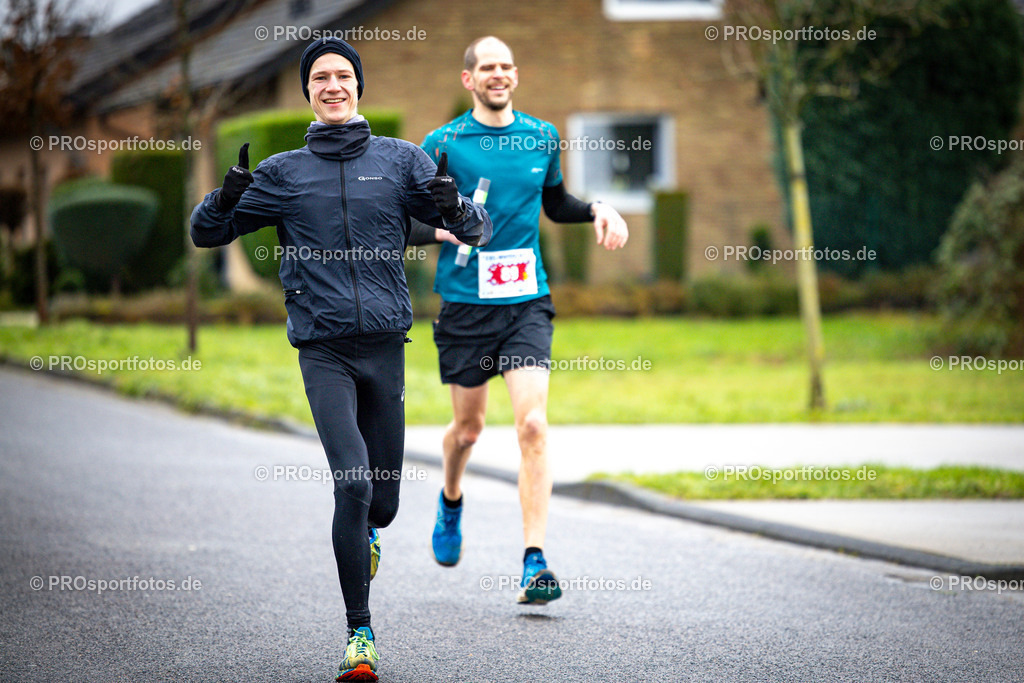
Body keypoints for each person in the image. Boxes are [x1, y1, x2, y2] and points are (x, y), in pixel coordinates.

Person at [190, 38, 491, 682]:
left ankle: (369, 537)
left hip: (385, 346)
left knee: (381, 504)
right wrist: (225, 196)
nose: (332, 85)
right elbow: (204, 232)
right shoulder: (281, 174)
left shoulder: (402, 161)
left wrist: (450, 204)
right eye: (320, 77)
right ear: (307, 92)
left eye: (343, 76)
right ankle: (360, 634)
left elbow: (477, 230)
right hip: (323, 349)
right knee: (350, 483)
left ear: (360, 87)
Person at [409, 36, 628, 605]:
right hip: (463, 304)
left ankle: (534, 561)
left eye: (506, 65)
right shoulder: (442, 143)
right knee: (469, 430)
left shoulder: (542, 136)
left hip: (527, 302)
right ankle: (451, 498)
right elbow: (405, 218)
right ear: (469, 79)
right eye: (487, 67)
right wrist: (442, 230)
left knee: (532, 426)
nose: (498, 74)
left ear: (516, 73)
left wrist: (599, 208)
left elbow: (555, 204)